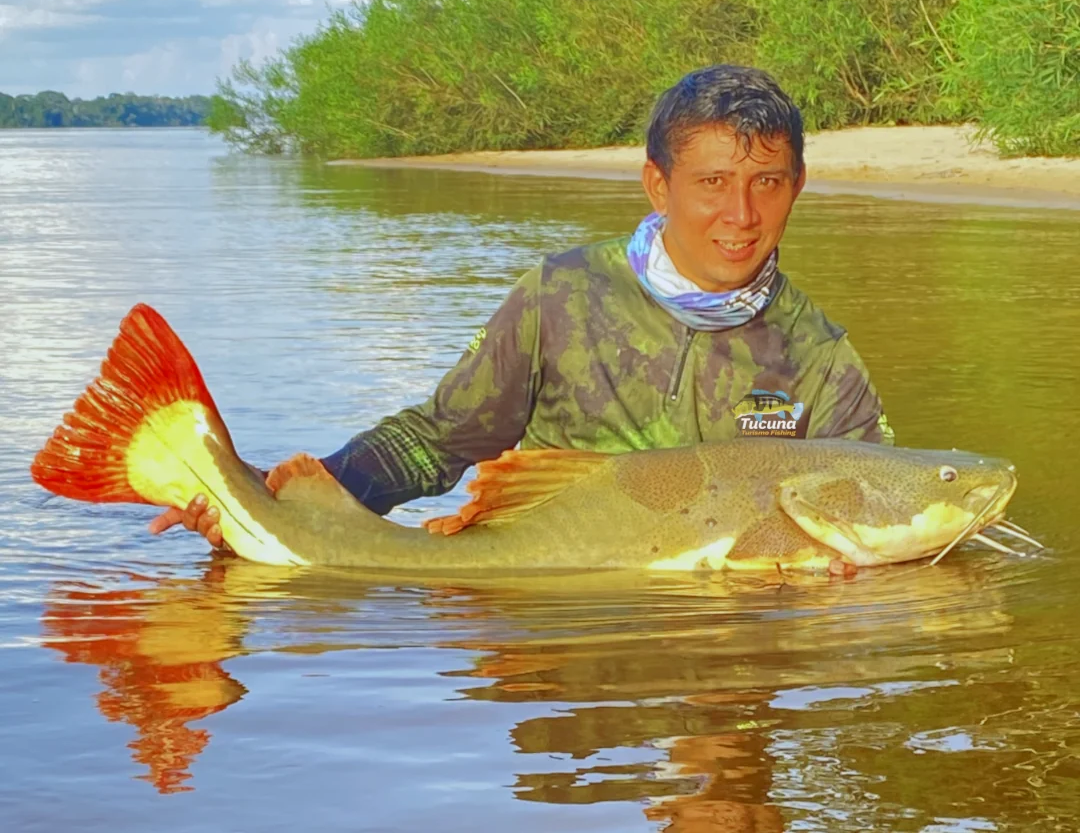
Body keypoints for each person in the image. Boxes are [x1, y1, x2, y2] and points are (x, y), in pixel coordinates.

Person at [151, 64, 892, 548]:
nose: (741, 213)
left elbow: (879, 501)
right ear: (658, 187)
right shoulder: (560, 297)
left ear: (798, 185)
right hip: (552, 656)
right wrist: (273, 505)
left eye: (767, 182)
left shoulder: (821, 359)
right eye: (712, 183)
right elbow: (438, 442)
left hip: (727, 642)